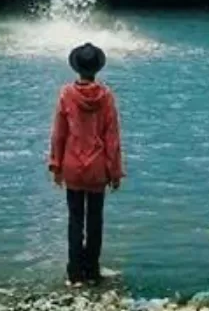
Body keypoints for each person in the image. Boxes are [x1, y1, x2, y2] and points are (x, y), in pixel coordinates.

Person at [48, 42, 124, 286]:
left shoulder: (66, 94)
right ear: (97, 69)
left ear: (77, 68)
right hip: (97, 167)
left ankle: (74, 272)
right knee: (95, 220)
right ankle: (92, 270)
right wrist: (115, 172)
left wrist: (56, 165)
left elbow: (59, 134)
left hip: (72, 165)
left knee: (75, 219)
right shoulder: (107, 96)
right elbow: (112, 138)